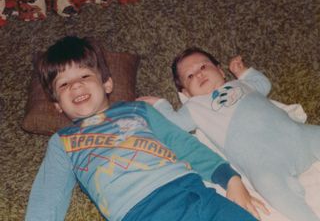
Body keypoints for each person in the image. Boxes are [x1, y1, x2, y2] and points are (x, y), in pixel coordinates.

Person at [25, 37, 262, 221]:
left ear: (107, 83)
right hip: (138, 212)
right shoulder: (63, 141)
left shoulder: (137, 110)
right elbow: (49, 195)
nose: (76, 85)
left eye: (85, 75)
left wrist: (230, 179)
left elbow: (182, 143)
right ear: (57, 104)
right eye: (64, 84)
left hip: (193, 192)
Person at [137, 47, 320, 221]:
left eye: (203, 66)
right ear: (186, 93)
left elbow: (263, 85)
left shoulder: (240, 84)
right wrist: (160, 104)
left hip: (296, 135)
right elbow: (175, 124)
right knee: (271, 186)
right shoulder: (194, 107)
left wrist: (244, 72)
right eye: (190, 76)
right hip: (264, 163)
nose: (199, 74)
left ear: (221, 71)